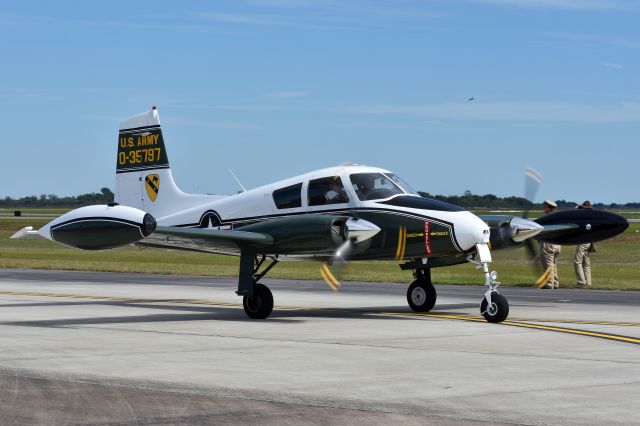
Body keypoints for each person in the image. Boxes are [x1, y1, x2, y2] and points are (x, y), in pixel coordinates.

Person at [539, 199, 561, 289]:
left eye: (546, 206)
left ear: (550, 208)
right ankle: (555, 283)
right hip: (557, 244)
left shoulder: (547, 218)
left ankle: (549, 284)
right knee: (553, 264)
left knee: (548, 265)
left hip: (548, 244)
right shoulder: (557, 217)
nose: (544, 208)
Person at [574, 200, 596, 288]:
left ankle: (581, 282)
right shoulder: (592, 217)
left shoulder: (583, 218)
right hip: (590, 241)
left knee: (577, 262)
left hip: (582, 241)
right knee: (586, 263)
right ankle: (588, 282)